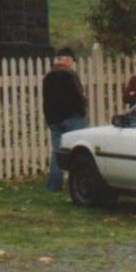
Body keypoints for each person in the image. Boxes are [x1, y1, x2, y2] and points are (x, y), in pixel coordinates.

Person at [42, 47, 88, 192]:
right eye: (72, 61)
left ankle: (54, 186)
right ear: (68, 60)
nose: (72, 64)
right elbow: (78, 96)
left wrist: (50, 120)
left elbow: (46, 100)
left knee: (57, 152)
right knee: (81, 151)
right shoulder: (70, 74)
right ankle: (81, 184)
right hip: (72, 118)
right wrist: (82, 111)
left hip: (54, 120)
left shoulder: (48, 76)